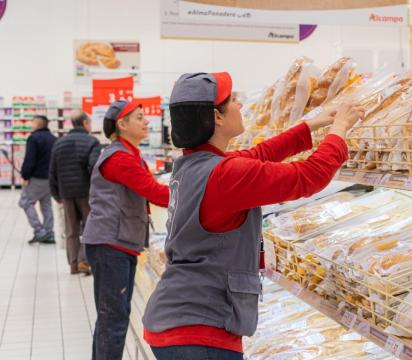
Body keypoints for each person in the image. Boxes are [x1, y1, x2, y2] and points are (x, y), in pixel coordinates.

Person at [142, 72, 364, 360]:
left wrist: (313, 125)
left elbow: (259, 153)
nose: (240, 105)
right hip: (200, 329)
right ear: (216, 117)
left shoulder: (193, 164)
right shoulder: (224, 175)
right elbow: (309, 177)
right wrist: (339, 130)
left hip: (179, 315)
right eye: (233, 100)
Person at [81, 100, 169, 360]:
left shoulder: (128, 154)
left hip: (118, 243)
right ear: (122, 124)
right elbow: (156, 193)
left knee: (111, 319)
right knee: (114, 321)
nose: (146, 122)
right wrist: (199, 188)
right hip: (112, 246)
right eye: (140, 117)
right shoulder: (119, 158)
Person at [49, 111, 101, 275]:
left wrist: (56, 194)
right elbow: (93, 167)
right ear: (85, 123)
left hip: (66, 192)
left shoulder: (59, 143)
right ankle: (84, 261)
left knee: (71, 230)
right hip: (86, 192)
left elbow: (52, 170)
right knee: (89, 227)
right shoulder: (92, 141)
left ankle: (73, 264)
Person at [19, 115, 57, 244]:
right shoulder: (54, 139)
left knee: (25, 202)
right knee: (46, 205)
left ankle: (39, 231)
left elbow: (30, 159)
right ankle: (49, 233)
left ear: (38, 124)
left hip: (36, 178)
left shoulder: (33, 138)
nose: (31, 125)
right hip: (50, 178)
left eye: (33, 122)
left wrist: (25, 176)